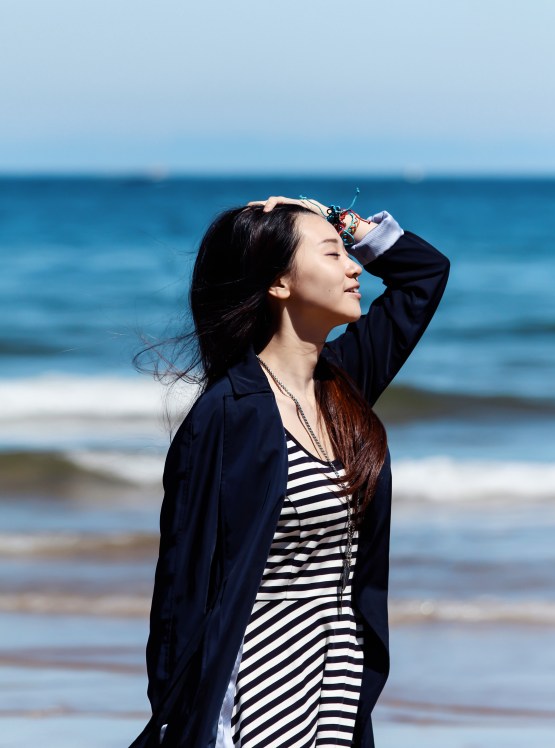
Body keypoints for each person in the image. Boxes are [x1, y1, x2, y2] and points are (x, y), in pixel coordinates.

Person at [129, 194, 450, 748]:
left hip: (339, 688)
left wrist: (339, 220)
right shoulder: (228, 414)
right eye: (332, 254)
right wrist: (174, 718)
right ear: (279, 283)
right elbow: (182, 585)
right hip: (256, 694)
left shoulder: (342, 384)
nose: (354, 268)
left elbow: (424, 275)